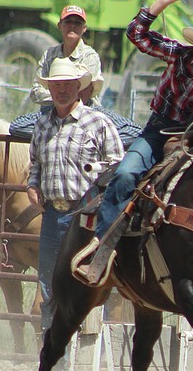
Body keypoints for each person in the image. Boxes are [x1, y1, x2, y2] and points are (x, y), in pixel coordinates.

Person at [73, 0, 193, 285]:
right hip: (160, 131)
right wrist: (162, 3)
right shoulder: (181, 55)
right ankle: (104, 245)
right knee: (125, 174)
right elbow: (137, 35)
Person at [25, 58, 123, 332]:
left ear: (78, 87)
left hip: (85, 217)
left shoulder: (98, 123)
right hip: (52, 216)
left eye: (68, 84)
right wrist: (33, 185)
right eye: (57, 85)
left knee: (79, 284)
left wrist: (95, 170)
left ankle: (69, 357)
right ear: (51, 89)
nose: (62, 90)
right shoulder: (43, 125)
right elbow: (36, 164)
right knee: (47, 284)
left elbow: (118, 165)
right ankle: (51, 353)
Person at [9, 5, 142, 149]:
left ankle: (100, 147)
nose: (72, 26)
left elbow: (85, 93)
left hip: (87, 111)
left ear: (84, 28)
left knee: (133, 132)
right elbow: (35, 92)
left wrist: (56, 93)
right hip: (50, 113)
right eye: (68, 22)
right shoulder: (49, 54)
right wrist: (61, 99)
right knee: (16, 127)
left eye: (77, 23)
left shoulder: (89, 56)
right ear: (60, 25)